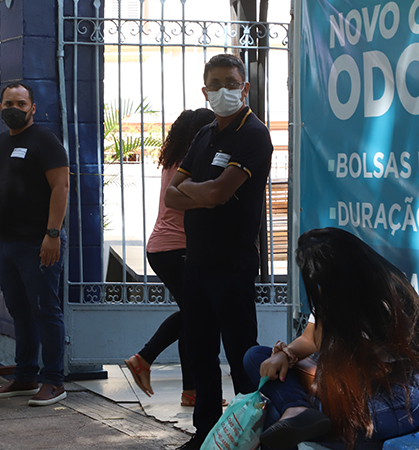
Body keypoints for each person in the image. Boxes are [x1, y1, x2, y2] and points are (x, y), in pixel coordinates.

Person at [164, 53, 274, 449]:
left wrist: (197, 191)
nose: (224, 90)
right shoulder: (204, 134)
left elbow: (216, 192)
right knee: (200, 352)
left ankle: (249, 436)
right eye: (216, 84)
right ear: (205, 91)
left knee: (242, 357)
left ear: (245, 88)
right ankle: (205, 434)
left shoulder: (253, 133)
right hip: (197, 264)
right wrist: (202, 194)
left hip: (233, 264)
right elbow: (171, 197)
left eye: (232, 83)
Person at [244, 227, 419, 450]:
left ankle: (297, 412)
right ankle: (296, 408)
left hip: (393, 398)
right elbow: (310, 339)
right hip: (344, 391)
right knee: (256, 357)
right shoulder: (336, 291)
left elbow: (367, 372)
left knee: (277, 416)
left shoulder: (383, 299)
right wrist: (286, 355)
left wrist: (316, 384)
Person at [0, 82, 70, 406]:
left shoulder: (45, 140)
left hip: (38, 243)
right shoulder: (1, 143)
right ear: (0, 107)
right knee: (19, 312)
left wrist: (52, 234)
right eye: (7, 103)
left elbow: (61, 186)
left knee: (46, 310)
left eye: (20, 102)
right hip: (6, 244)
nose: (13, 108)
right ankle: (26, 376)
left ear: (32, 107)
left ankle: (54, 380)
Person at [124, 108, 216, 407]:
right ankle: (144, 357)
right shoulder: (194, 163)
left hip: (164, 249)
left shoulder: (175, 160)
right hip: (178, 250)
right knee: (196, 315)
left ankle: (192, 391)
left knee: (193, 318)